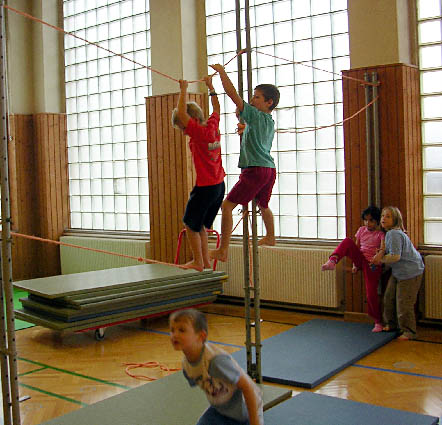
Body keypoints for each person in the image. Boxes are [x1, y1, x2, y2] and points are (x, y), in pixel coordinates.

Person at [208, 63, 280, 263]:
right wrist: (243, 128)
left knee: (227, 206)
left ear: (269, 102)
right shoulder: (268, 121)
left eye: (257, 97)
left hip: (255, 169)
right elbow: (241, 114)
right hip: (269, 169)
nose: (252, 100)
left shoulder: (256, 116)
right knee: (262, 205)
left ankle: (223, 250)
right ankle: (271, 236)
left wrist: (222, 73)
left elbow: (233, 95)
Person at [169, 309, 264, 425]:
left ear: (201, 336)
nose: (175, 335)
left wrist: (255, 422)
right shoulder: (187, 366)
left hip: (244, 409)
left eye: (182, 330)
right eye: (172, 330)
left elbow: (248, 387)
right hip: (220, 410)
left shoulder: (216, 361)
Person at [171, 76, 226, 272]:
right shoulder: (212, 126)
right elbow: (217, 107)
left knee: (190, 224)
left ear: (192, 121)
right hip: (219, 186)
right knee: (199, 225)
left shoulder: (199, 132)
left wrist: (183, 89)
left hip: (206, 187)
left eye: (183, 128)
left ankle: (197, 261)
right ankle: (205, 262)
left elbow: (182, 113)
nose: (184, 132)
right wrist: (211, 87)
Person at [322, 206, 385, 332]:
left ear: (377, 221)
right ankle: (333, 260)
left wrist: (378, 257)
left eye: (371, 221)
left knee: (371, 293)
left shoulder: (380, 234)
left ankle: (378, 321)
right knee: (347, 241)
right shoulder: (361, 230)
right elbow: (356, 247)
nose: (367, 223)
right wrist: (355, 265)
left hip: (372, 263)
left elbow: (383, 250)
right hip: (360, 259)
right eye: (365, 220)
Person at [371, 206, 425, 340]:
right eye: (383, 216)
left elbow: (395, 256)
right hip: (398, 272)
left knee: (404, 303)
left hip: (410, 272)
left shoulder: (394, 234)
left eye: (388, 216)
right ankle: (392, 324)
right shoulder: (389, 234)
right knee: (389, 298)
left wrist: (380, 260)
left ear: (395, 220)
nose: (383, 218)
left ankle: (409, 331)